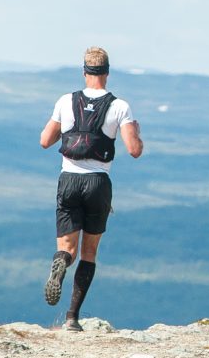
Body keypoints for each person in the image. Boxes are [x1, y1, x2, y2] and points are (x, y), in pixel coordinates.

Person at [38, 46, 144, 330]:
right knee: (89, 252)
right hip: (98, 182)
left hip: (69, 179)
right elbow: (134, 150)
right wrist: (137, 133)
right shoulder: (120, 106)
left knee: (67, 249)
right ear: (107, 73)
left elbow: (45, 140)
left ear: (85, 72)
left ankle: (60, 264)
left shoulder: (65, 101)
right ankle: (72, 318)